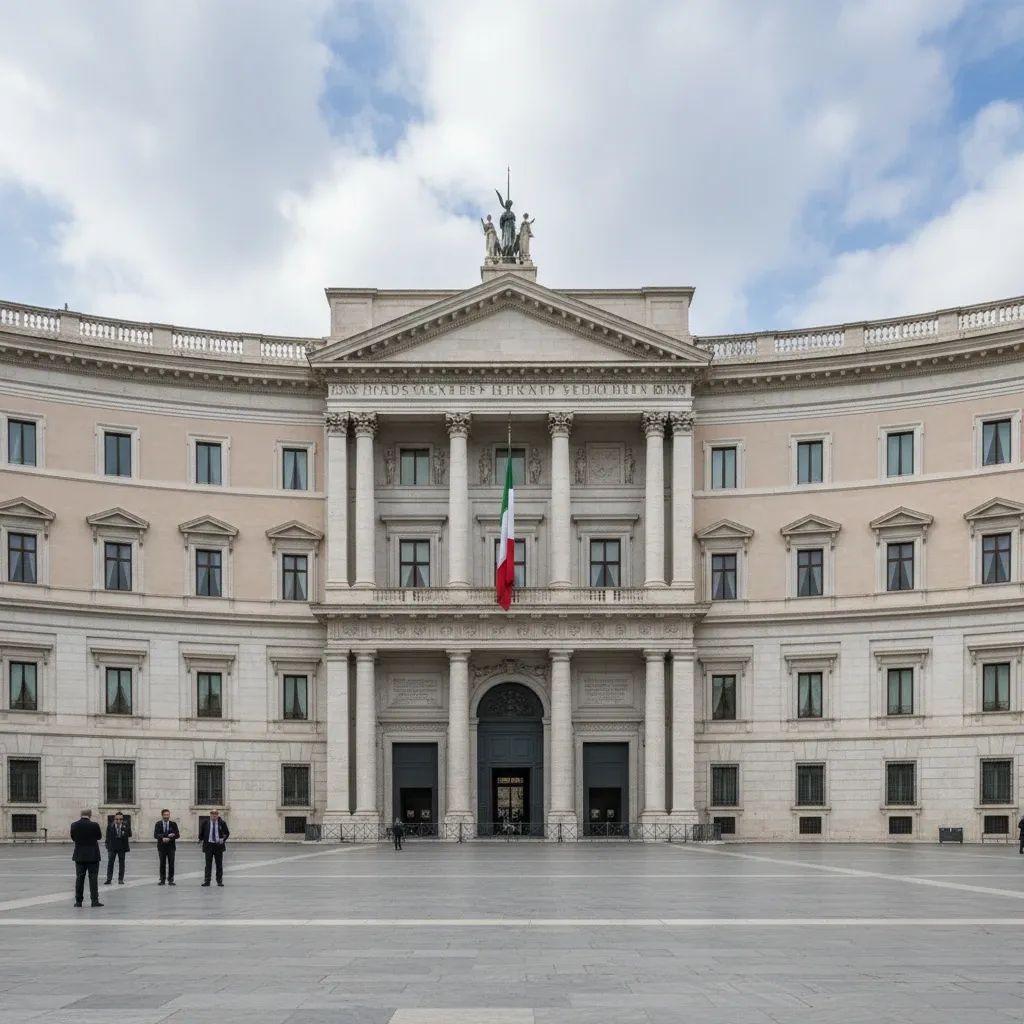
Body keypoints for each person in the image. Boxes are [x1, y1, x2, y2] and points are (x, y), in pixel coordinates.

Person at [70, 809, 103, 908]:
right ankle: (94, 901)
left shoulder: (74, 825)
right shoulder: (94, 825)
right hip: (93, 855)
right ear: (90, 815)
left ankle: (78, 901)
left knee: (79, 878)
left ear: (81, 814)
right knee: (93, 878)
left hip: (79, 855)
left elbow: (73, 838)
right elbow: (99, 837)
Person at [198, 809, 229, 886]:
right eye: (212, 813)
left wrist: (223, 839)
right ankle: (207, 881)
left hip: (218, 846)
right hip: (209, 845)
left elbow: (227, 833)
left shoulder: (222, 823)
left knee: (219, 864)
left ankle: (219, 881)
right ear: (210, 814)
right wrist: (201, 839)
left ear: (218, 815)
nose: (214, 815)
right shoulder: (205, 823)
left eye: (216, 813)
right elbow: (201, 833)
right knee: (208, 864)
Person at [104, 811, 131, 885]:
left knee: (122, 863)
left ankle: (120, 879)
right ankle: (109, 879)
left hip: (122, 847)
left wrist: (124, 831)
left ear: (123, 819)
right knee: (110, 863)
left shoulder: (126, 825)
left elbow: (129, 834)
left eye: (121, 819)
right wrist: (107, 845)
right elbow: (107, 836)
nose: (119, 821)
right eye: (117, 819)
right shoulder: (110, 826)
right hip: (112, 847)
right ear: (114, 819)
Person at [154, 808, 180, 885]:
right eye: (165, 815)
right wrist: (164, 837)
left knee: (171, 863)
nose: (166, 816)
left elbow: (177, 835)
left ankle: (171, 879)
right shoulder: (158, 824)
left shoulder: (173, 824)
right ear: (162, 815)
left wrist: (170, 838)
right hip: (161, 847)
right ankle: (162, 879)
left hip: (171, 847)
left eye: (168, 815)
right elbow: (155, 835)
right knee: (162, 863)